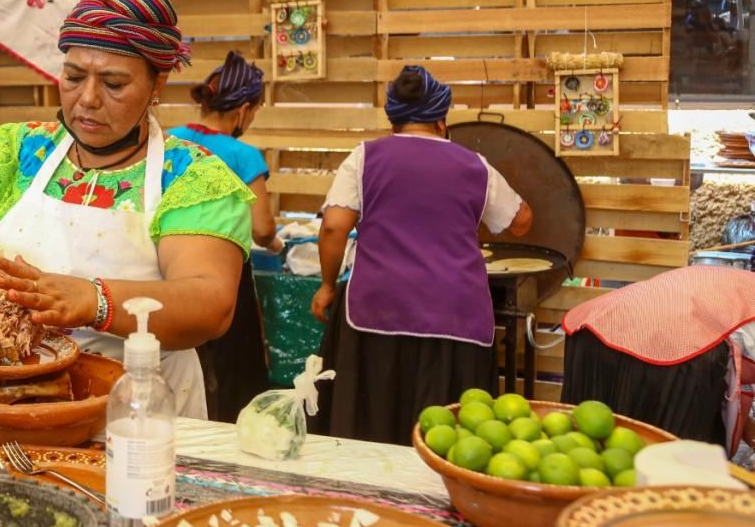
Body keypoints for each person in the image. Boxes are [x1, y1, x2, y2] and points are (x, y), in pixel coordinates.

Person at [0, 0, 255, 420]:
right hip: (6, 403)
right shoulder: (18, 153)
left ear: (156, 83)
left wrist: (94, 301)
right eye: (73, 76)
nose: (87, 99)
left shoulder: (189, 177)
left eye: (114, 83)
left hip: (140, 413)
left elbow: (209, 303)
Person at [310, 66, 533, 445]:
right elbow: (521, 220)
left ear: (393, 120)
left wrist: (328, 286)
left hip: (376, 313)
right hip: (456, 318)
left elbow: (333, 225)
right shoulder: (474, 165)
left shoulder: (365, 157)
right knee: (449, 436)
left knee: (370, 429)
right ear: (441, 120)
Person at [168, 50, 279, 421]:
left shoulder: (170, 141)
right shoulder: (242, 155)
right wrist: (278, 245)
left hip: (168, 271)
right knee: (233, 378)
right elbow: (263, 229)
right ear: (244, 109)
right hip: (224, 278)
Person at [562, 265, 755, 458]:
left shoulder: (738, 281)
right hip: (675, 349)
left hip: (598, 324)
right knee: (666, 463)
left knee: (587, 447)